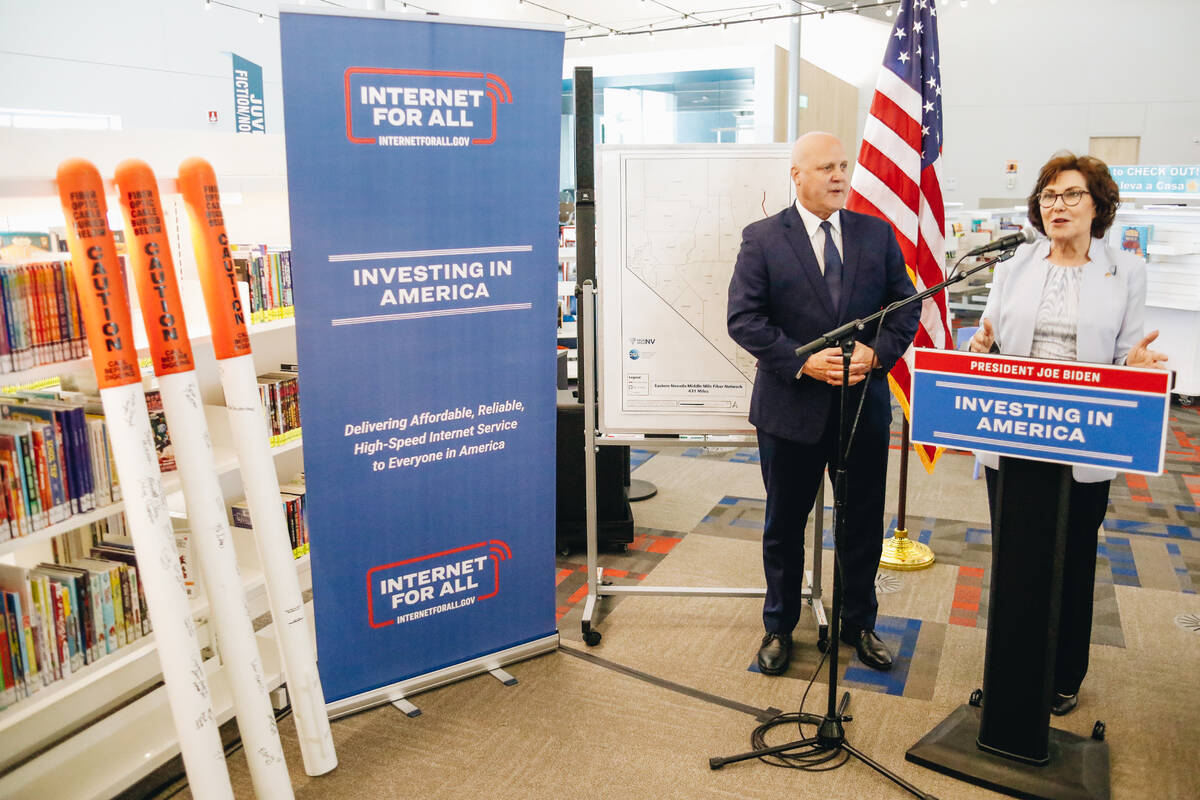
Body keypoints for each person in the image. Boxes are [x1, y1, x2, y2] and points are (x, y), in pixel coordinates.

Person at [968, 152, 1168, 715]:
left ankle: (1062, 674)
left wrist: (1140, 364)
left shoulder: (1123, 270)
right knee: (1012, 556)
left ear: (1098, 205)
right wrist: (977, 349)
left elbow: (1128, 352)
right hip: (1015, 432)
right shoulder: (1016, 265)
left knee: (1072, 556)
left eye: (1072, 195)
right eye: (1049, 196)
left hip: (1084, 438)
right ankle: (1006, 669)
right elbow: (988, 337)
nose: (1058, 206)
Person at [727, 132, 920, 675]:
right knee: (784, 525)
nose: (839, 176)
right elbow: (744, 319)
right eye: (826, 167)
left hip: (862, 406)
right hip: (790, 409)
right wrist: (801, 360)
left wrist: (876, 354)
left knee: (861, 522)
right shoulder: (763, 238)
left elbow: (906, 311)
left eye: (844, 165)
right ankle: (779, 626)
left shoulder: (875, 235)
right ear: (797, 175)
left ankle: (858, 623)